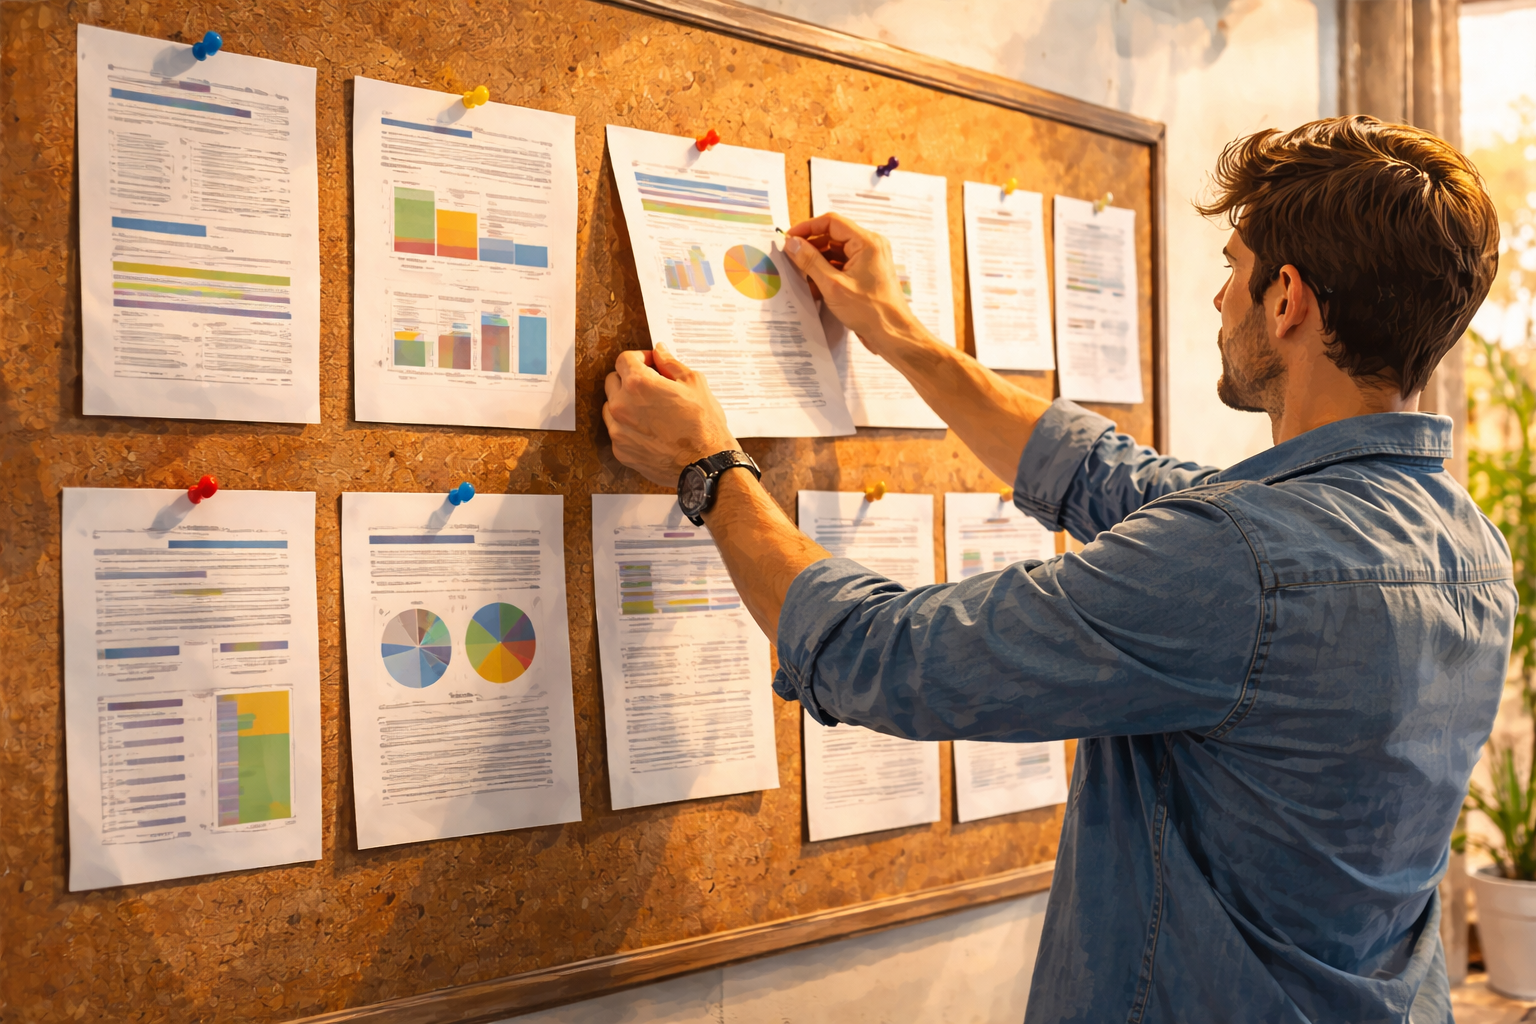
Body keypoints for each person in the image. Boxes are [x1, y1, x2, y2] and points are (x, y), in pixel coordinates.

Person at [601, 115, 1515, 1022]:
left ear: (1287, 300)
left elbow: (890, 657)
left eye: (1232, 267)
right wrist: (894, 329)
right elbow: (1104, 476)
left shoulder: (1239, 560)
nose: (1218, 298)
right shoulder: (1466, 548)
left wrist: (711, 472)